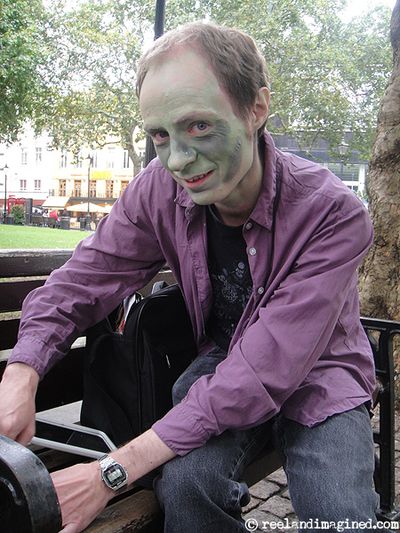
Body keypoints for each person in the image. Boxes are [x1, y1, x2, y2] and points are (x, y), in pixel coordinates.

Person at [0, 22, 377, 533]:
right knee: (185, 489)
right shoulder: (158, 191)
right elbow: (83, 279)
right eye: (160, 135)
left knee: (340, 516)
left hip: (323, 372)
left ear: (256, 109)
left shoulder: (334, 213)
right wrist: (22, 372)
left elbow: (267, 367)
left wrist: (111, 472)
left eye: (198, 125)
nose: (177, 159)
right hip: (223, 363)